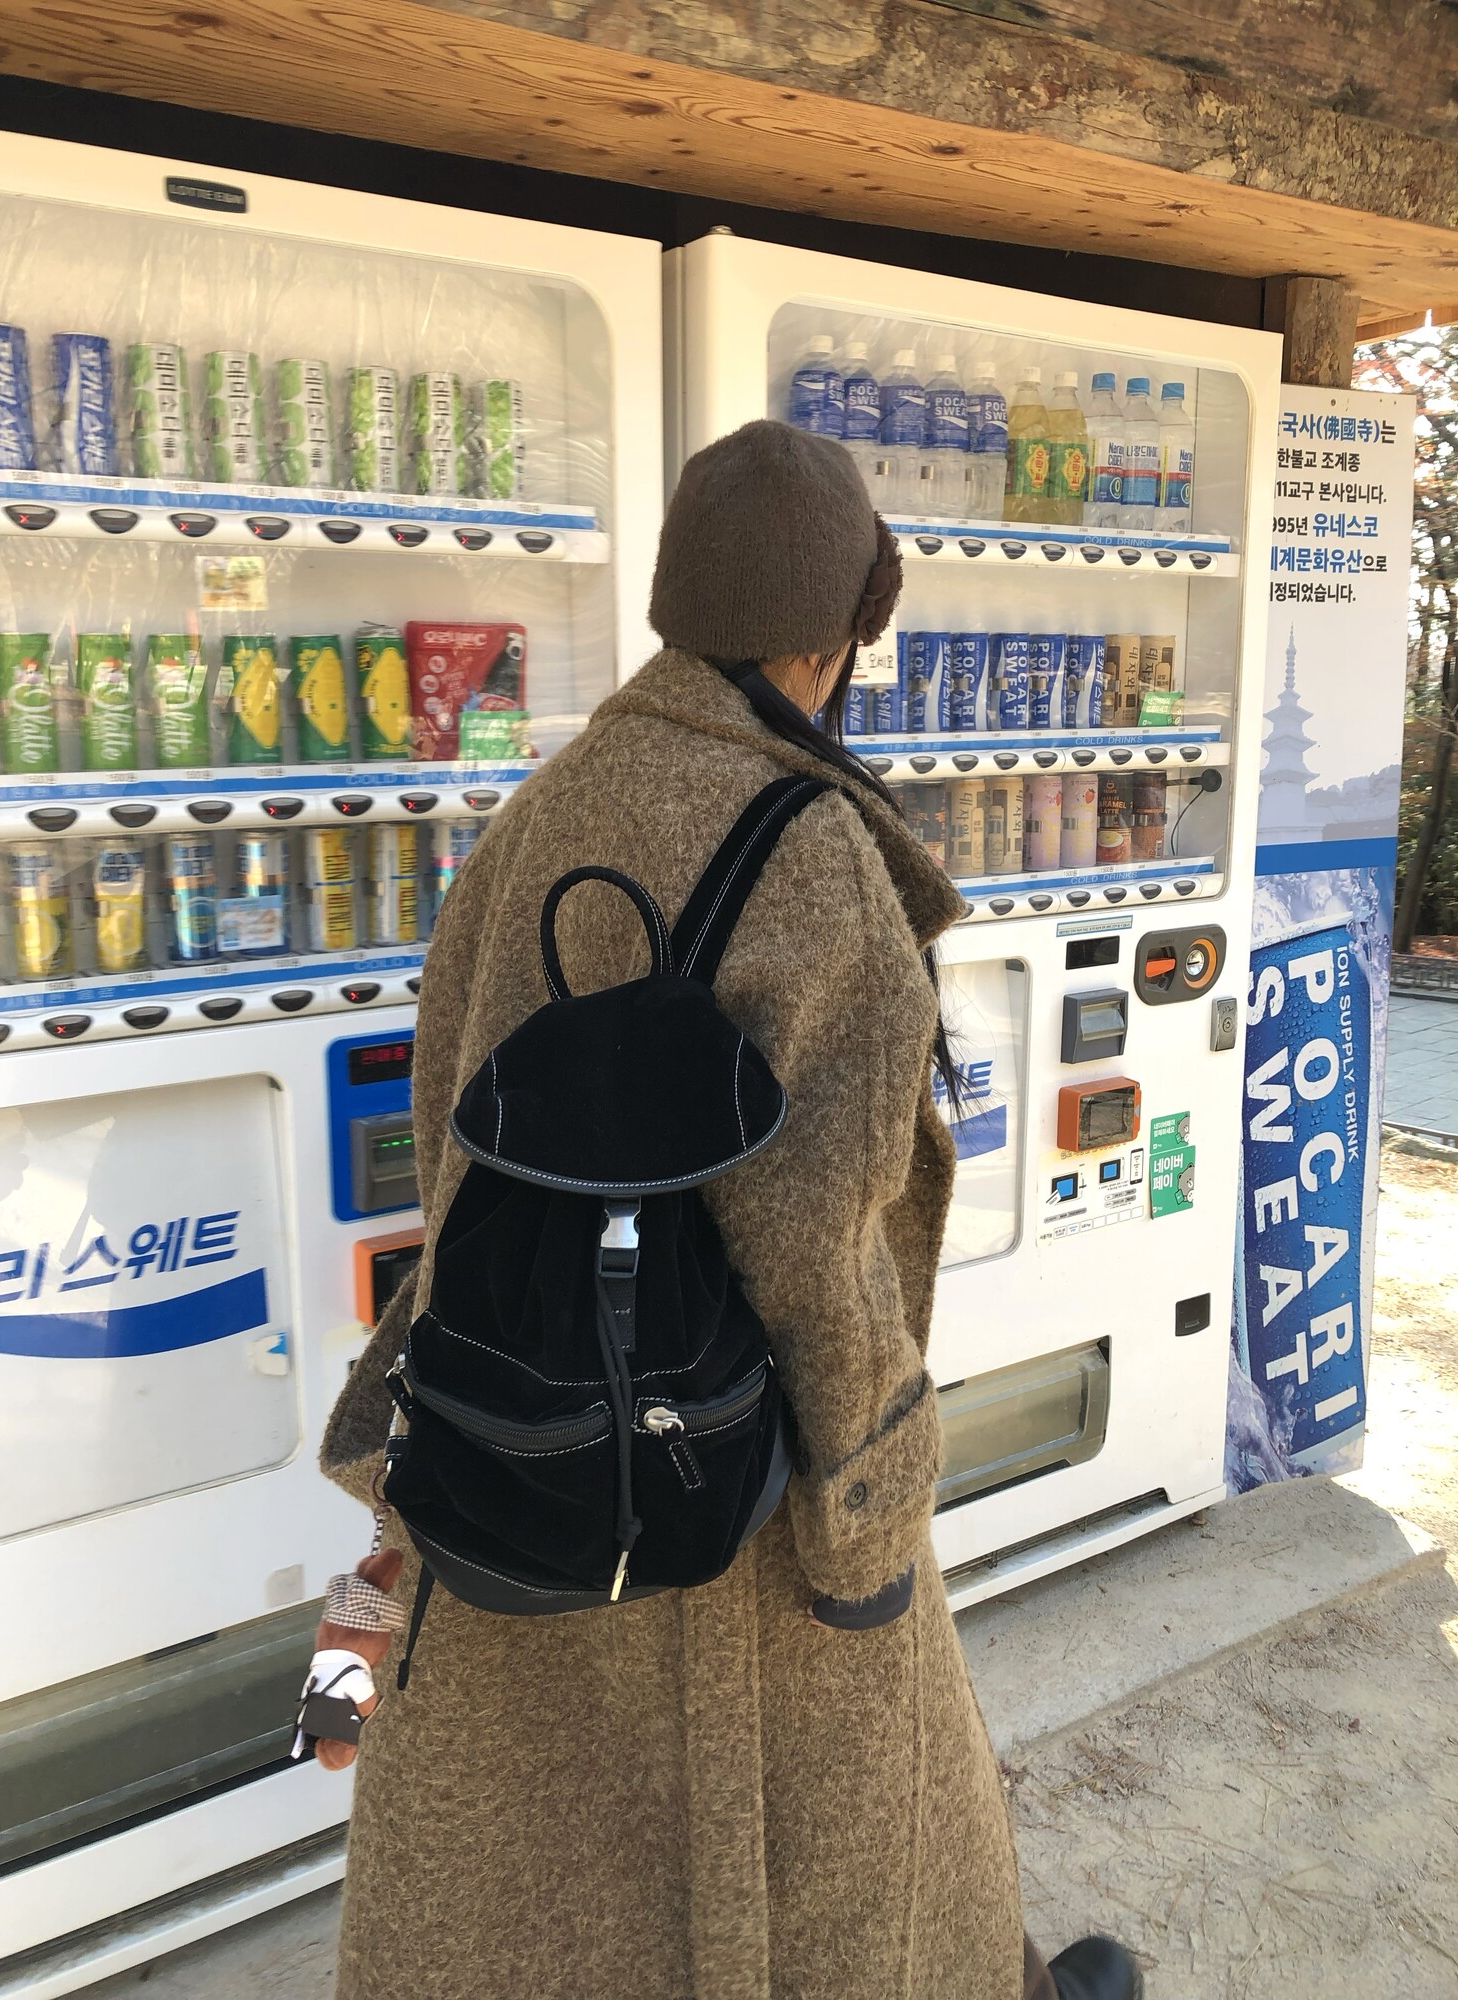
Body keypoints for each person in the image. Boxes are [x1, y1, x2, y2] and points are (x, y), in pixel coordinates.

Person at [317, 419, 1142, 2000]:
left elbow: (447, 1126)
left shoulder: (544, 808)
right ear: (840, 635)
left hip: (504, 1445)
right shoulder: (815, 854)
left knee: (525, 1896)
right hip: (720, 1489)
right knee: (857, 1872)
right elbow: (823, 1251)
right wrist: (867, 1522)